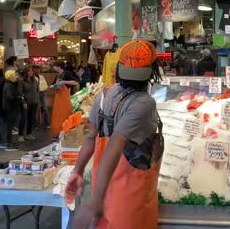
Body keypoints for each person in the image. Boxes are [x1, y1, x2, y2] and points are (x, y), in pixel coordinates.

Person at [66, 41, 164, 229]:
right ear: (152, 71)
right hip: (129, 202)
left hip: (102, 191)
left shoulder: (104, 96)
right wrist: (95, 201)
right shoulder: (144, 103)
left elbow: (90, 138)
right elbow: (114, 146)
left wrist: (77, 171)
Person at [50, 61, 78, 137]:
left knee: (65, 114)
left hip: (65, 98)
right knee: (58, 115)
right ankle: (59, 132)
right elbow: (52, 85)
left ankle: (66, 132)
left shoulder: (67, 73)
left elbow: (75, 82)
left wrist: (64, 82)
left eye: (54, 66)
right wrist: (53, 86)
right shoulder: (57, 75)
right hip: (58, 97)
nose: (53, 68)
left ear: (59, 66)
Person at [2, 70, 24, 150]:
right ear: (11, 76)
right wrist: (18, 97)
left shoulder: (10, 84)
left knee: (10, 126)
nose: (16, 76)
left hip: (10, 108)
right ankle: (9, 143)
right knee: (9, 126)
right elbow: (9, 97)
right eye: (15, 75)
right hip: (10, 108)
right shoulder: (9, 85)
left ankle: (10, 142)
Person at [18, 66, 39, 142]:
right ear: (26, 72)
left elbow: (37, 91)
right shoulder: (22, 81)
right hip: (25, 103)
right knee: (23, 119)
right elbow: (20, 93)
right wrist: (23, 102)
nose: (31, 72)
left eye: (32, 71)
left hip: (34, 102)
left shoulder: (35, 80)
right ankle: (20, 135)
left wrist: (37, 100)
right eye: (29, 71)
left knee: (31, 119)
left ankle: (29, 134)